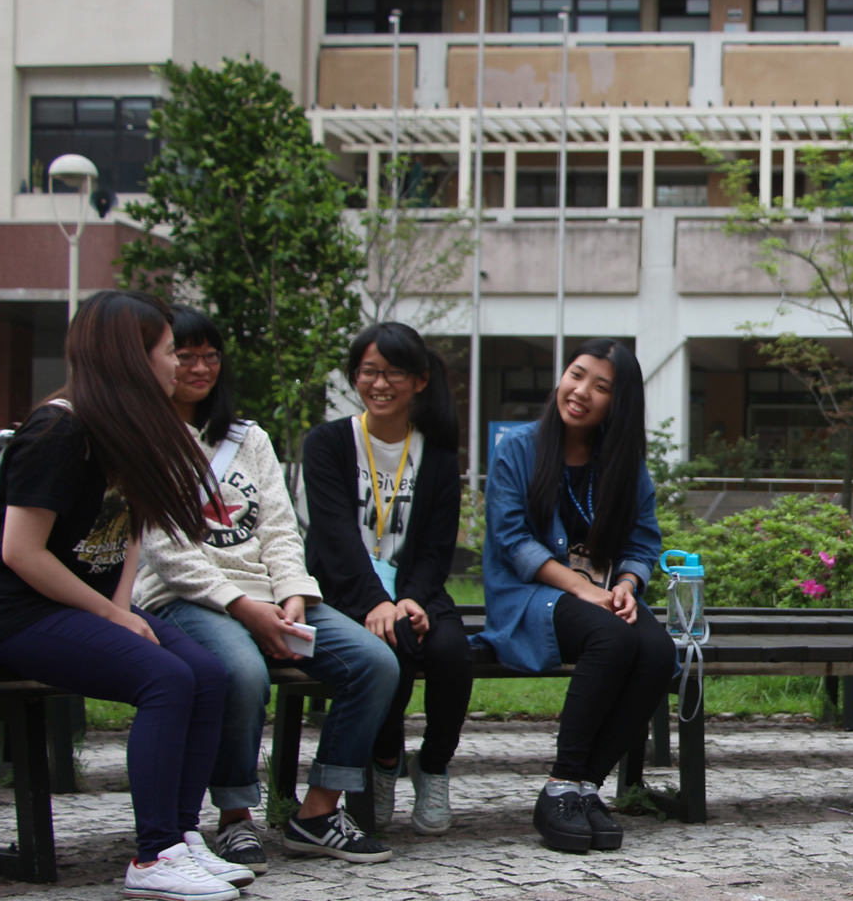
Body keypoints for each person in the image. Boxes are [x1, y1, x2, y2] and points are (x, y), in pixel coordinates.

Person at [0, 291, 241, 901]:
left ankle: (182, 836)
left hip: (84, 606)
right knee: (165, 678)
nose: (178, 364)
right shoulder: (58, 430)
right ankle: (153, 855)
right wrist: (111, 616)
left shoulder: (130, 428)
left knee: (208, 673)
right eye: (169, 351)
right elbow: (21, 552)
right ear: (130, 358)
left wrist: (120, 608)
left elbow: (128, 533)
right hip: (16, 613)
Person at [136, 307, 400, 868]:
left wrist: (292, 597)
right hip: (185, 598)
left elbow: (279, 529)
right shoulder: (143, 436)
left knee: (375, 663)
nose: (200, 367)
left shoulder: (247, 438)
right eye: (186, 356)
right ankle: (235, 817)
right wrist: (243, 609)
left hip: (267, 594)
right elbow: (166, 553)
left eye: (210, 356)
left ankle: (318, 813)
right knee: (242, 671)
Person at [481, 339, 674, 854]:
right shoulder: (518, 449)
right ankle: (560, 784)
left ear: (619, 403)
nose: (581, 391)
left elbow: (643, 542)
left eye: (601, 386)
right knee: (613, 639)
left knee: (658, 652)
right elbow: (512, 540)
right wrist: (583, 588)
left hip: (599, 599)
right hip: (530, 596)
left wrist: (627, 585)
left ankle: (585, 788)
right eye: (576, 374)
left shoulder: (624, 464)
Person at [301, 323, 471, 836]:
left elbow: (438, 546)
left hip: (415, 589)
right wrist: (377, 601)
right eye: (368, 372)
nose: (379, 384)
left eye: (393, 372)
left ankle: (433, 766)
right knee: (392, 645)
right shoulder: (328, 443)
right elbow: (333, 537)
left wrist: (412, 598)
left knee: (452, 652)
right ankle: (384, 759)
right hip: (347, 589)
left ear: (419, 380)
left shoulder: (436, 454)